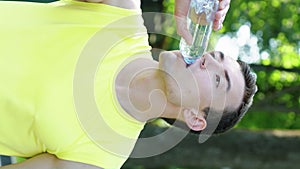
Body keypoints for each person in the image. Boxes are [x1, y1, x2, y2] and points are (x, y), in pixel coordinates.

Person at [0, 0, 255, 169]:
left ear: (196, 118)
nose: (204, 60)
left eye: (218, 79)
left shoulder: (99, 158)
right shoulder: (122, 13)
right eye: (213, 56)